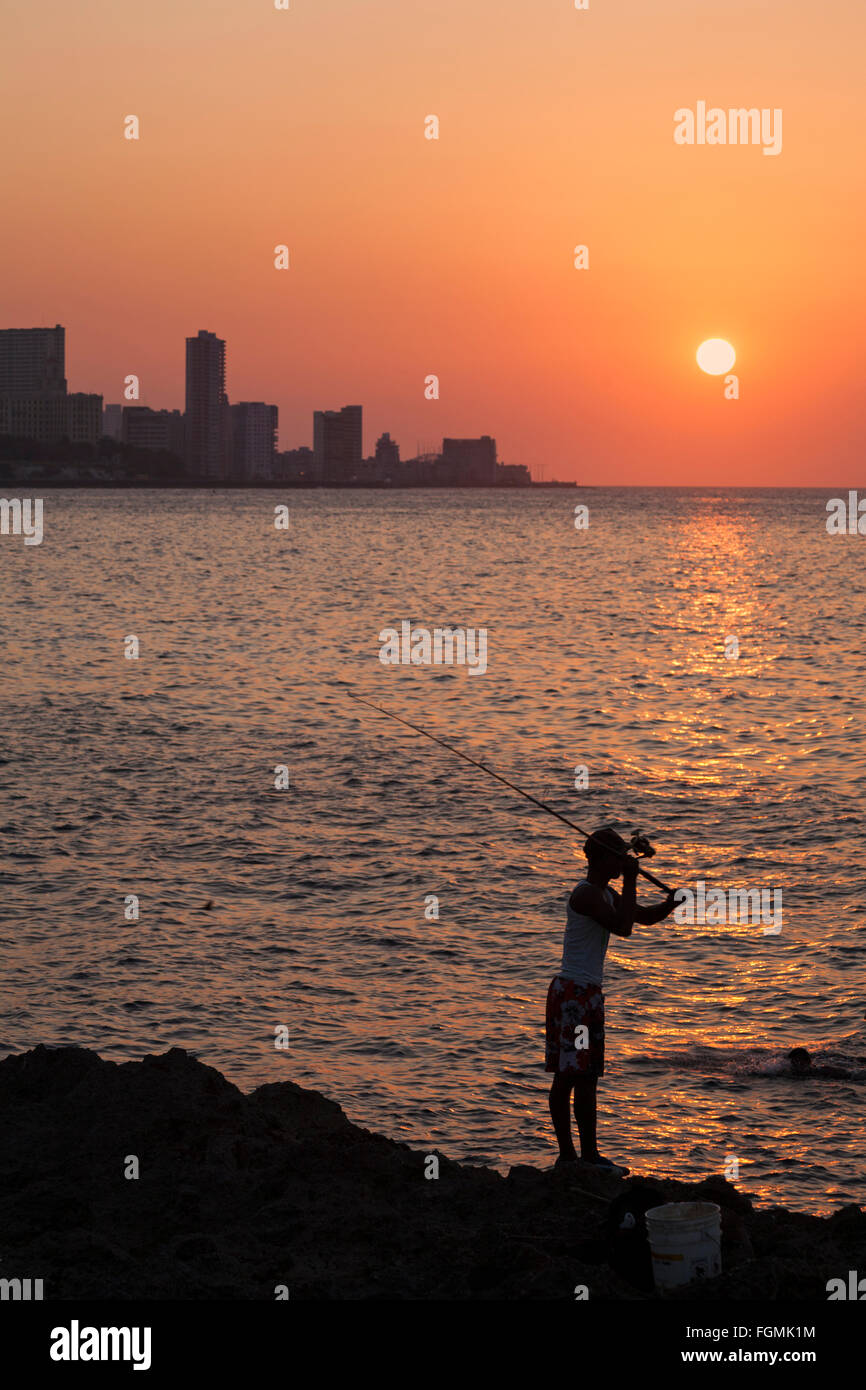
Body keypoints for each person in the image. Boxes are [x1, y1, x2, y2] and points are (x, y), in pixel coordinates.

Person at [546, 826, 678, 1174]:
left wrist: (670, 904)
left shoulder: (606, 894)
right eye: (619, 856)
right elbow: (623, 929)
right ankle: (568, 1157)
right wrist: (632, 880)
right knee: (567, 1076)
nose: (624, 861)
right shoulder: (587, 895)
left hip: (588, 994)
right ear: (602, 858)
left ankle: (588, 1156)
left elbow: (642, 917)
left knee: (586, 1076)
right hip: (573, 993)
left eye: (626, 856)